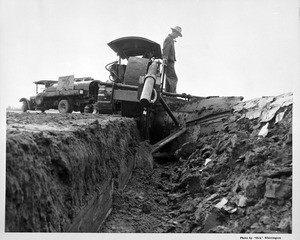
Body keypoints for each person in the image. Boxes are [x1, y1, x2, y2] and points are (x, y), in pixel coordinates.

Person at [162, 26, 182, 93]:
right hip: (169, 62)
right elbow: (165, 49)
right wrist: (165, 59)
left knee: (169, 78)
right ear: (174, 32)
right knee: (173, 78)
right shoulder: (168, 39)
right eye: (177, 35)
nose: (177, 37)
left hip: (170, 62)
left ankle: (168, 93)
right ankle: (172, 94)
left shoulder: (170, 39)